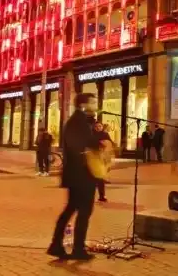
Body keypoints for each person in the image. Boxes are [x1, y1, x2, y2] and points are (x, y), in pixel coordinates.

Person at [48, 93, 100, 261]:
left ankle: (57, 245)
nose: (96, 104)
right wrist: (96, 145)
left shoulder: (81, 121)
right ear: (84, 104)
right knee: (83, 211)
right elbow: (79, 146)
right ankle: (77, 249)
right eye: (93, 102)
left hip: (78, 175)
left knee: (71, 209)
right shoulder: (77, 122)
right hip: (81, 175)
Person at [92, 122, 113, 202]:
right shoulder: (92, 135)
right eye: (96, 126)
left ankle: (102, 196)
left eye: (100, 126)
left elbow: (110, 144)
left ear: (102, 127)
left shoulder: (105, 135)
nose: (98, 127)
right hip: (93, 158)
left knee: (100, 178)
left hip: (103, 158)